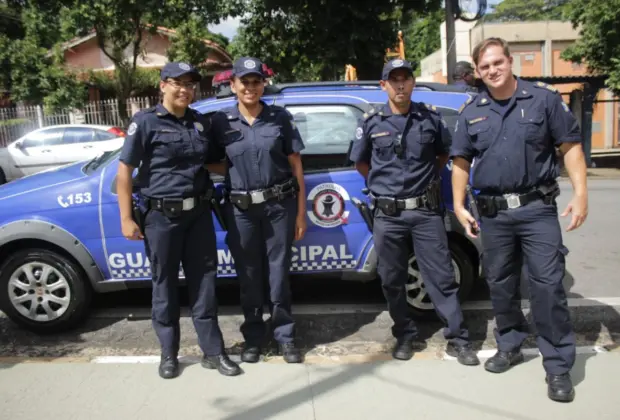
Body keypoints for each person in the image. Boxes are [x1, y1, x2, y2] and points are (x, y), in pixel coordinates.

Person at [450, 37, 588, 403]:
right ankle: (509, 344)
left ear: (510, 62)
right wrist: (460, 205)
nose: (492, 70)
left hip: (537, 209)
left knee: (547, 286)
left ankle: (557, 365)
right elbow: (461, 162)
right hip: (494, 215)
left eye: (497, 63)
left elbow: (571, 147)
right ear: (477, 72)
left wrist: (581, 194)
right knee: (500, 283)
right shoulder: (472, 111)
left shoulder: (542, 101)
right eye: (484, 67)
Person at [349, 58, 479, 366]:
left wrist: (424, 182)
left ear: (412, 83)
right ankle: (405, 335)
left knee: (441, 277)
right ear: (384, 85)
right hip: (388, 215)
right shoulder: (371, 122)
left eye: (405, 78)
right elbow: (361, 163)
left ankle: (458, 339)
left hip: (425, 212)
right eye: (393, 80)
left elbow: (444, 153)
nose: (400, 85)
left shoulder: (429, 119)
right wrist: (384, 189)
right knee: (392, 279)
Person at [117, 62, 242, 379]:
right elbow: (124, 172)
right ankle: (168, 354)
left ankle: (213, 352)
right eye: (178, 83)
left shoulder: (200, 123)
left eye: (190, 84)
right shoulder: (145, 123)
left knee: (205, 284)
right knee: (164, 286)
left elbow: (213, 164)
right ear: (163, 86)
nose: (185, 89)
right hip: (161, 218)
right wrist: (126, 218)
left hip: (198, 215)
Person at [208, 57, 307, 364]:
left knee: (278, 275)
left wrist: (301, 214)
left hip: (279, 207)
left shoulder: (280, 117)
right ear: (233, 85)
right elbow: (212, 162)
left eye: (256, 81)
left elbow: (296, 165)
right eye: (244, 82)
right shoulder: (220, 123)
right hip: (241, 212)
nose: (250, 87)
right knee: (249, 276)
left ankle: (285, 337)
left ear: (263, 84)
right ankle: (253, 337)